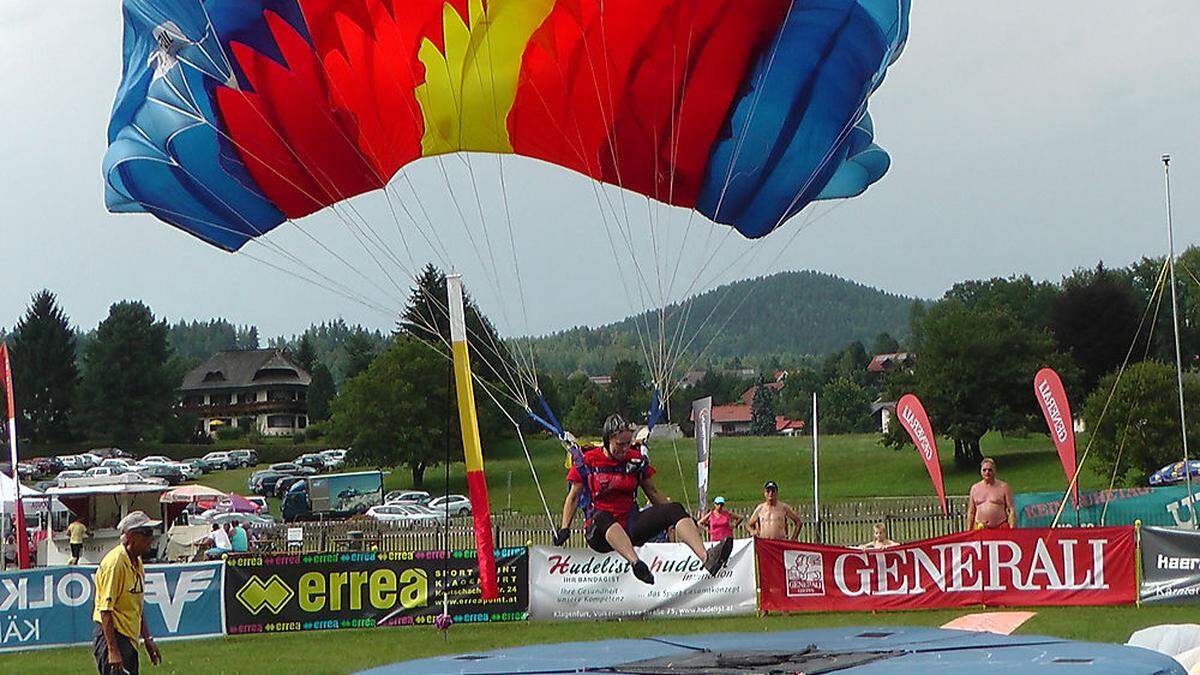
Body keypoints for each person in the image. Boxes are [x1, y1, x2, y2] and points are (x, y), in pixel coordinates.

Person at [554, 414, 734, 585]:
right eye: (620, 444)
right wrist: (564, 527)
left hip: (630, 526)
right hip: (600, 534)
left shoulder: (635, 460)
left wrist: (682, 517)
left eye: (627, 444)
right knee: (601, 516)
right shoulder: (589, 461)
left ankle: (706, 558)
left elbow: (653, 493)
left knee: (674, 509)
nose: (624, 449)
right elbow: (573, 497)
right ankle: (636, 564)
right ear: (608, 439)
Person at [92, 511, 162, 674]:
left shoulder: (136, 561)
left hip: (128, 638)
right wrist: (113, 651)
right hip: (113, 636)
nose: (151, 539)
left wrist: (147, 639)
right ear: (131, 536)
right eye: (146, 533)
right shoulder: (115, 563)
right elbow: (105, 610)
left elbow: (136, 605)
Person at [967, 457, 1015, 529]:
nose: (987, 472)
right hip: (980, 528)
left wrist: (1012, 528)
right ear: (980, 471)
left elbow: (1011, 509)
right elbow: (971, 512)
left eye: (990, 470)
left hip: (1000, 527)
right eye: (984, 470)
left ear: (994, 471)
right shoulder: (975, 488)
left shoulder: (1003, 487)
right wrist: (968, 530)